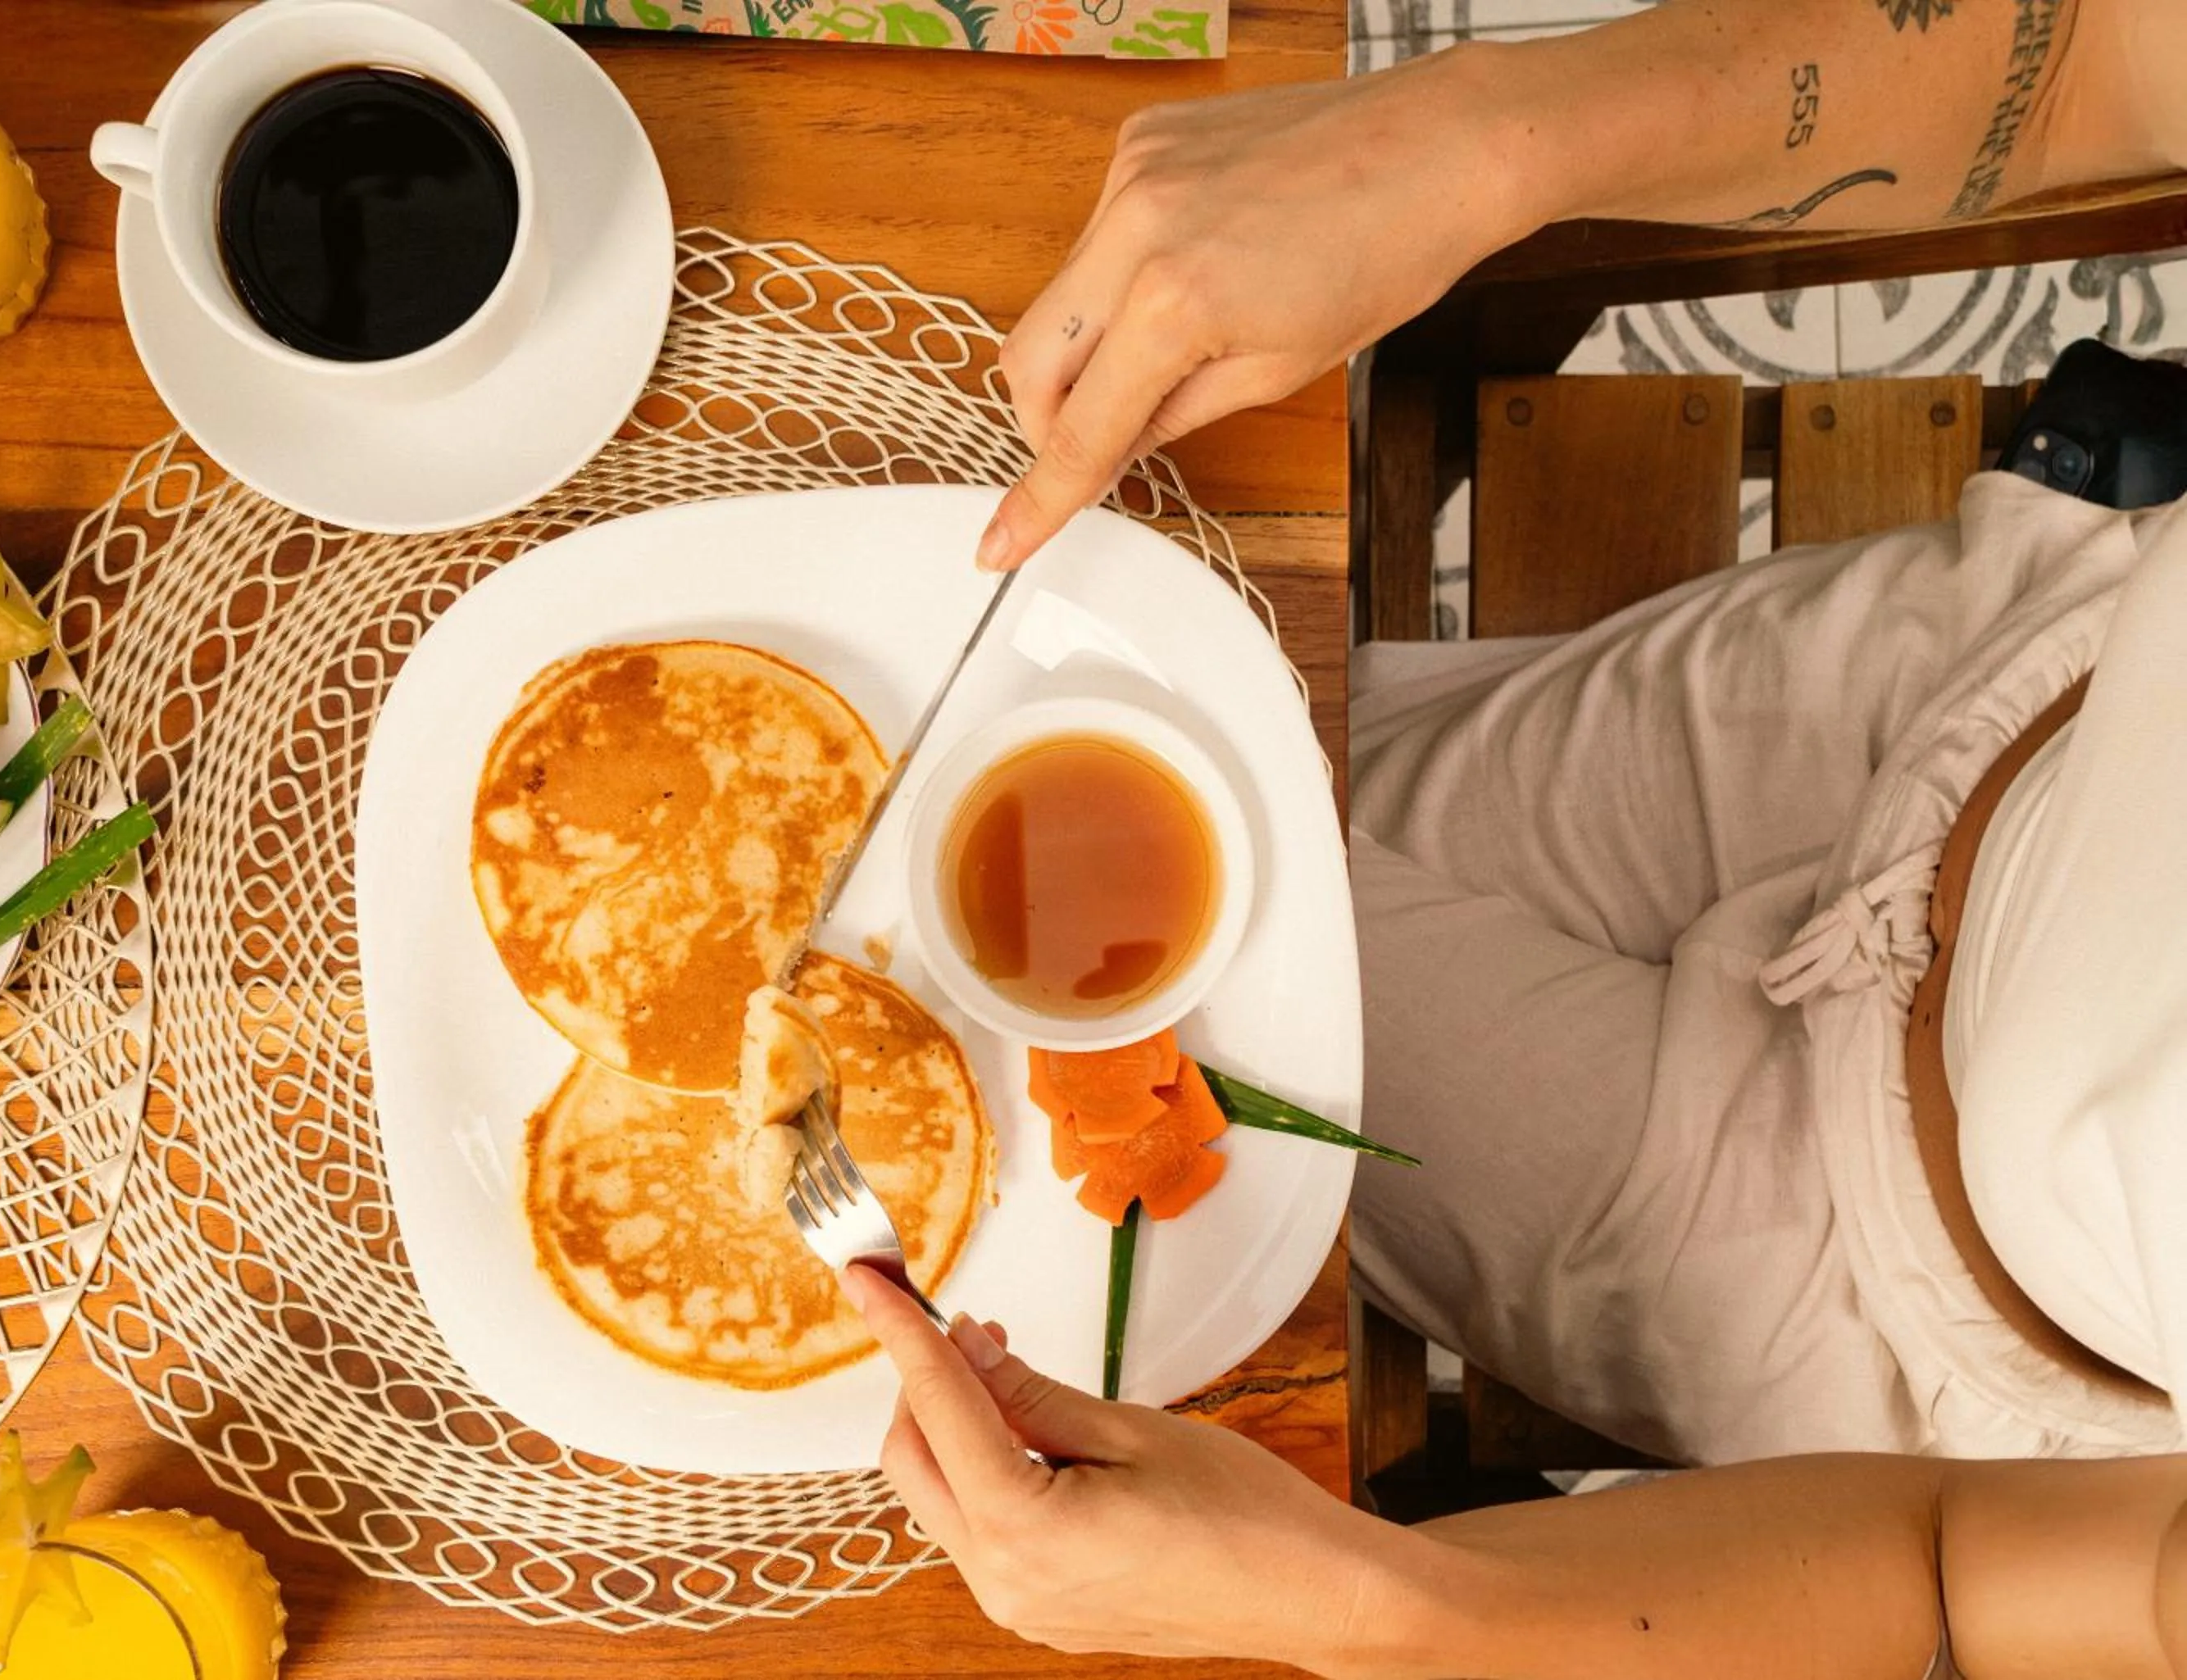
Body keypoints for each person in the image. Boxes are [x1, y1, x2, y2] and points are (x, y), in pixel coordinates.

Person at [834, 0, 2187, 1672]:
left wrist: (1349, 1603)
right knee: (1222, 770)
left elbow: (1951, 1567)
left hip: (1882, 1284)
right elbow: (2104, 53)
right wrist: (1469, 144)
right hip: (2010, 691)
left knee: (1089, 997)